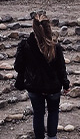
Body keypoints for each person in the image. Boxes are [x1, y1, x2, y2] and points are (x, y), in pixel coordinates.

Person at [14, 11, 70, 139]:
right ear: (48, 27)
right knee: (53, 111)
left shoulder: (25, 46)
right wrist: (66, 85)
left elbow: (18, 67)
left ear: (34, 28)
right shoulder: (55, 47)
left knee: (38, 114)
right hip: (53, 88)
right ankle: (52, 137)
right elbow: (61, 69)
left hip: (34, 87)